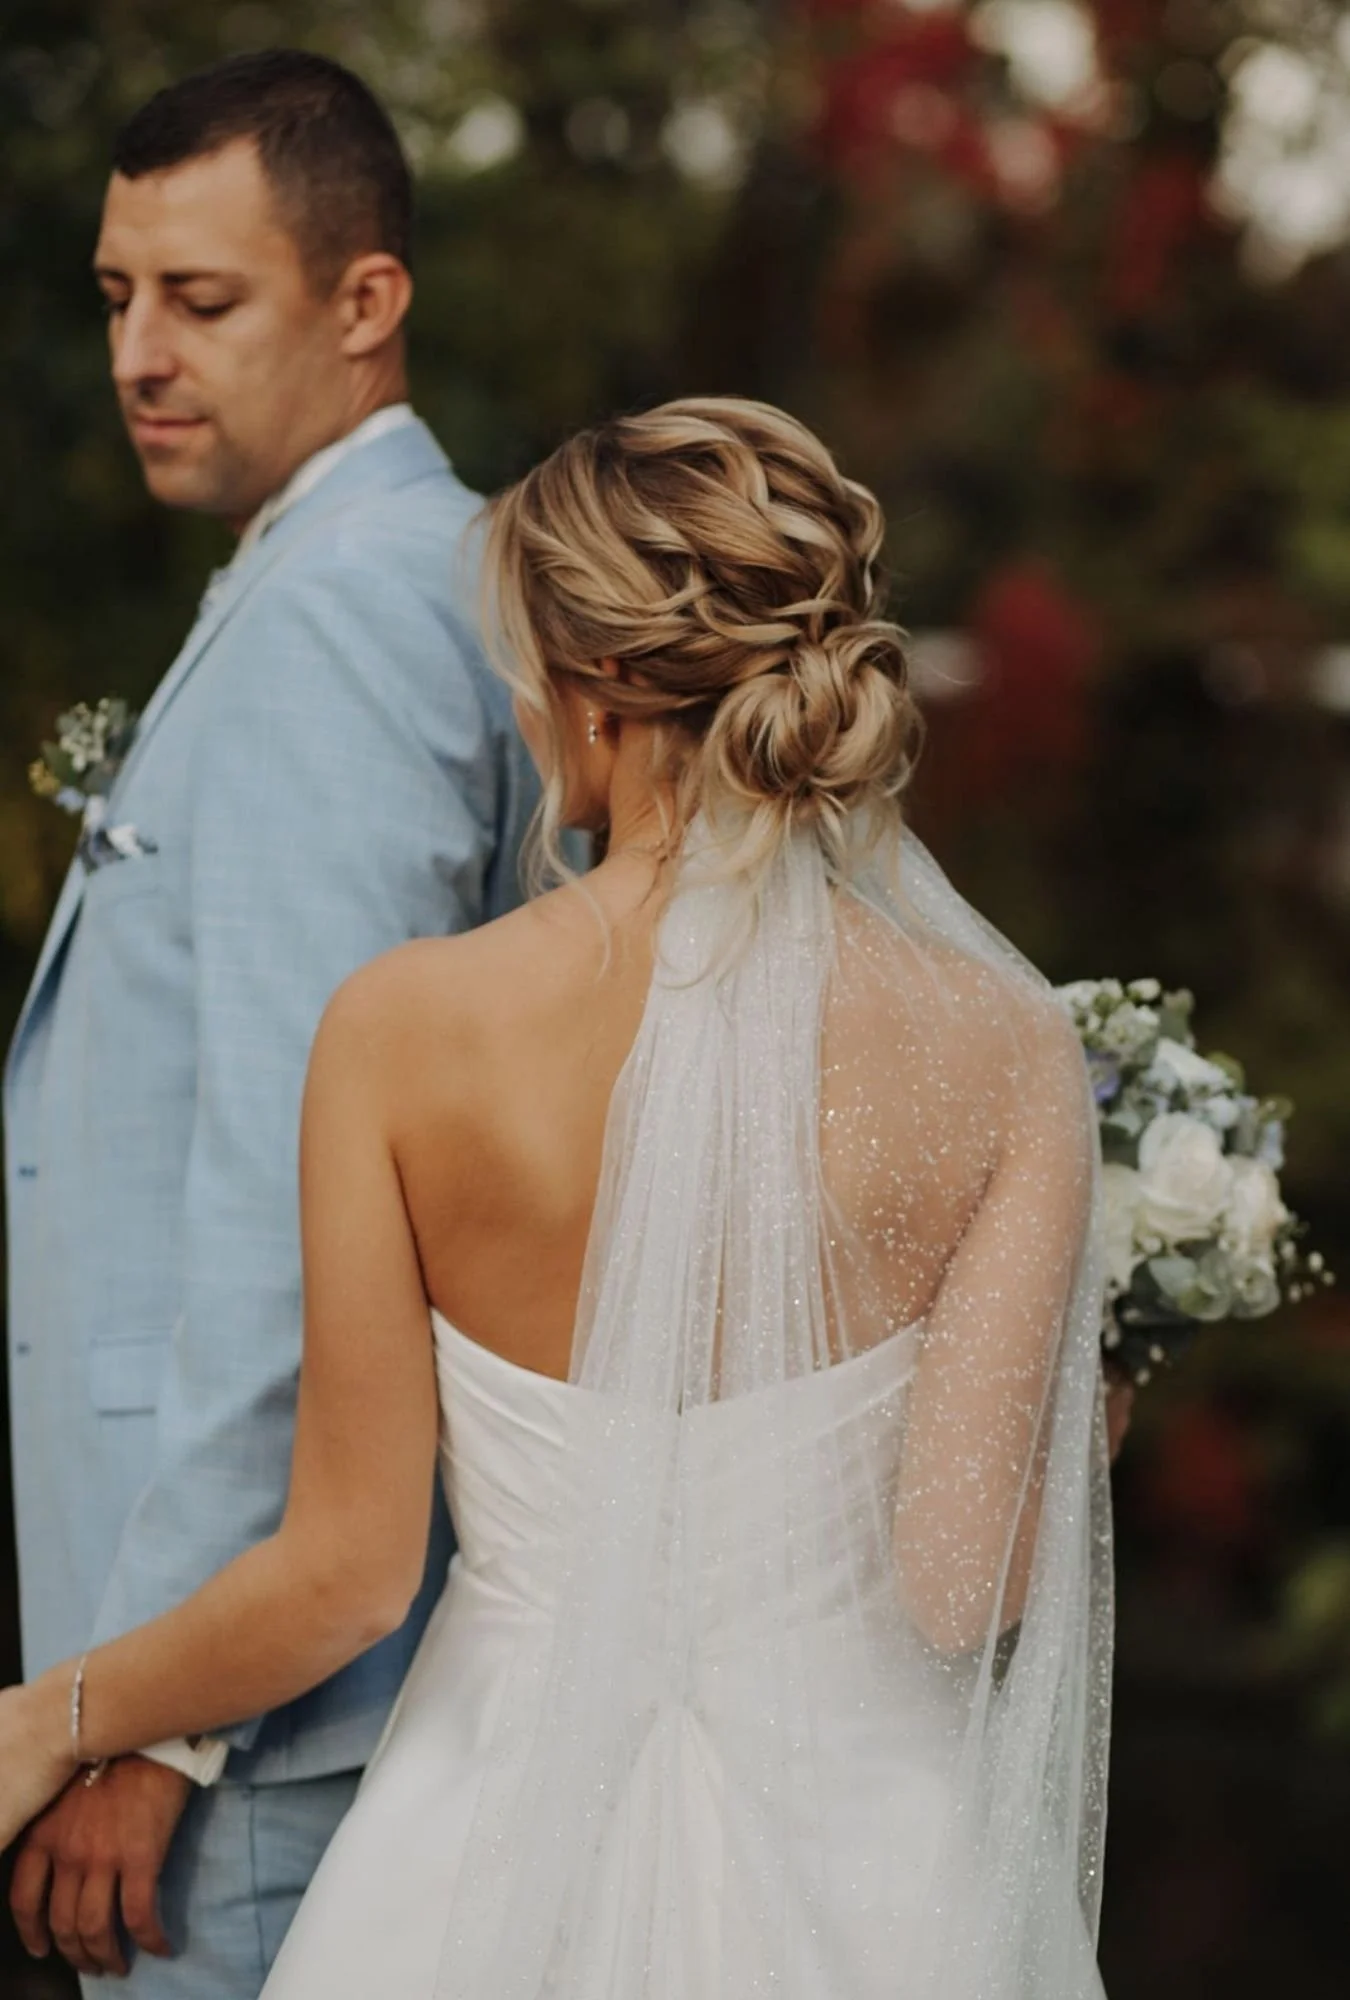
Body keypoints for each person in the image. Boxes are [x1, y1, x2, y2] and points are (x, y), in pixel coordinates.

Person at [2, 397, 1121, 1998]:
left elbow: (344, 1578)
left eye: (521, 659)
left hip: (484, 1851)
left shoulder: (402, 1031)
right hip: (872, 1875)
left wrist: (49, 1718)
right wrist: (1084, 1411)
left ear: (592, 685)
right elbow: (964, 1588)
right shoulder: (1006, 1048)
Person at [3, 49, 530, 1997]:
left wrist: (154, 1717)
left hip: (243, 1711)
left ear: (365, 299)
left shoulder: (347, 612)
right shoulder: (357, 575)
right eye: (116, 296)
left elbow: (303, 1196)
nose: (139, 354)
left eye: (202, 300)